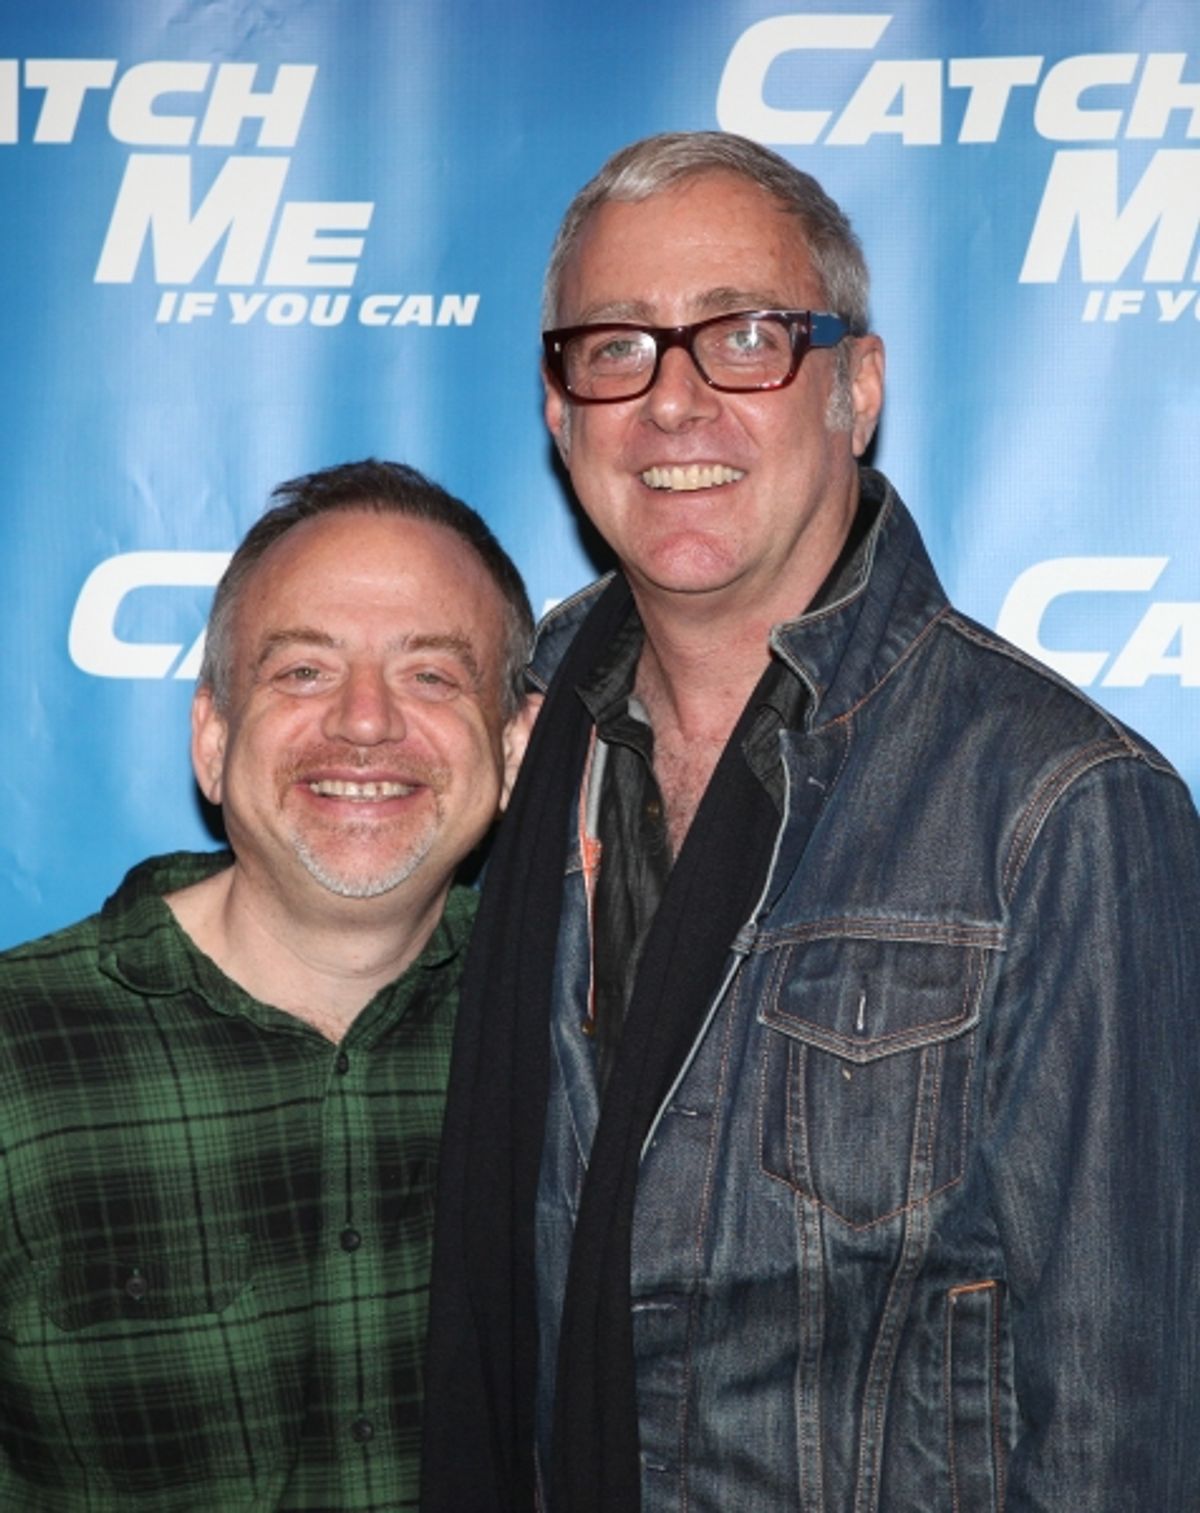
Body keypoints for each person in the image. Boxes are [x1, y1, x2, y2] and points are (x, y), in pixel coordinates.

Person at [421, 133, 1200, 1511]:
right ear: (559, 409)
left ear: (858, 387)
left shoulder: (1062, 806)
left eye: (746, 338)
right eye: (618, 348)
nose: (674, 404)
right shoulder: (495, 740)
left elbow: (1115, 1425)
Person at [0, 458, 534, 1509]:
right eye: (302, 672)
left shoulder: (590, 1033)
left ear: (513, 749)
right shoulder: (19, 1057)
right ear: (211, 738)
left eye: (433, 674)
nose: (368, 722)